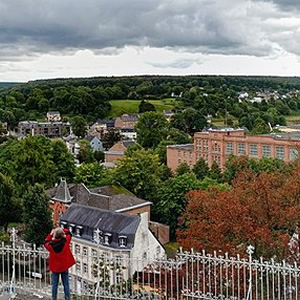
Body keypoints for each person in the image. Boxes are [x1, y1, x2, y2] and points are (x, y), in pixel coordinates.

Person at [45, 227, 75, 300]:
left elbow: (46, 242)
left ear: (54, 235)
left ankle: (54, 298)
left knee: (54, 284)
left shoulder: (50, 246)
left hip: (55, 267)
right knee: (66, 284)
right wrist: (62, 229)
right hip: (64, 266)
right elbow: (69, 233)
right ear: (62, 235)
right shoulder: (65, 241)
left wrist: (50, 234)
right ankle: (67, 298)